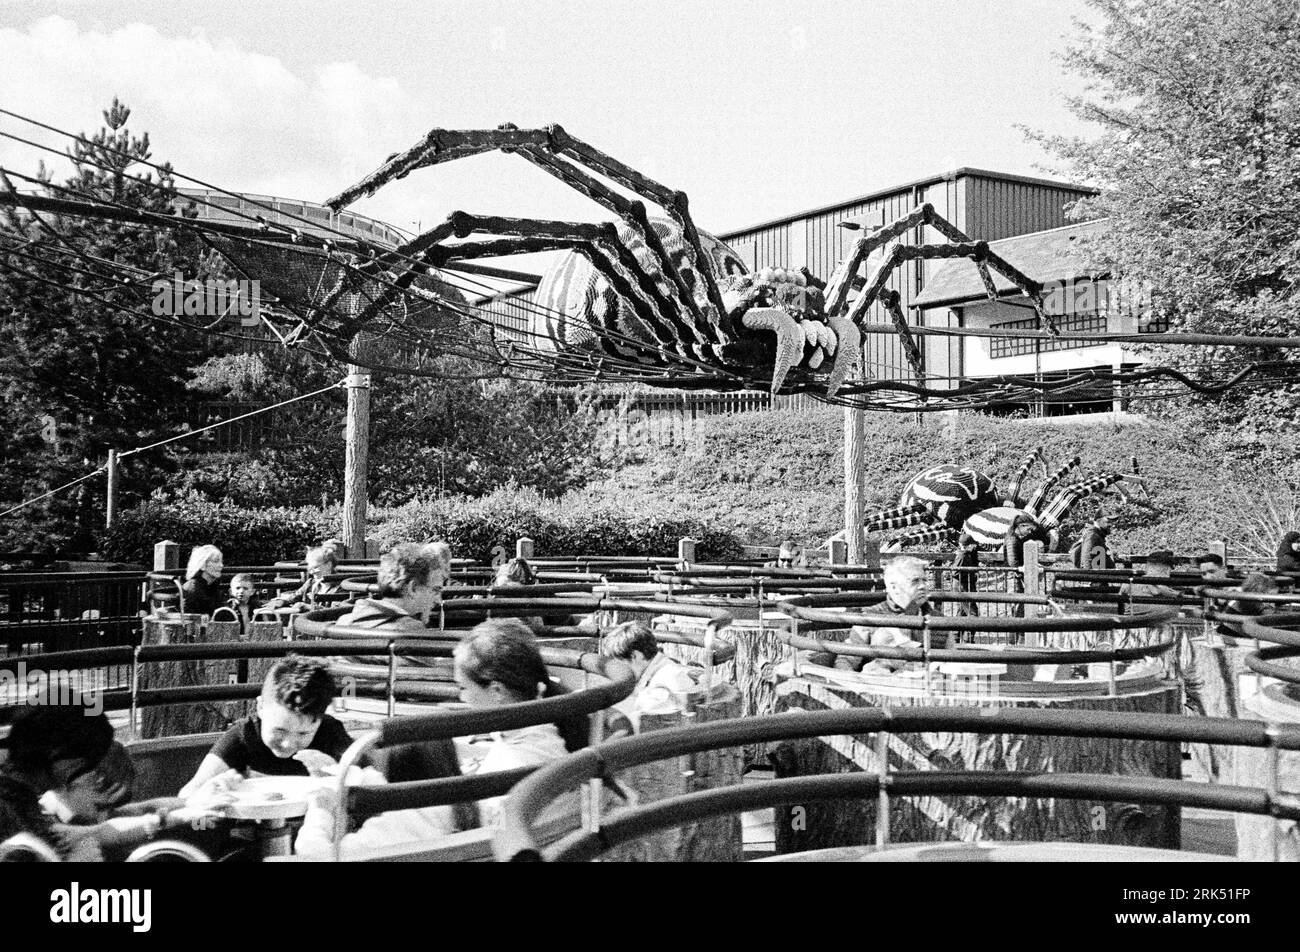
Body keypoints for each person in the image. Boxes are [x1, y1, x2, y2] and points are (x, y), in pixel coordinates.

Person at [1, 703, 218, 859]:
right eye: (85, 759)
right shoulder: (11, 805)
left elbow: (105, 828)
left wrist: (191, 806)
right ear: (55, 752)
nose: (87, 769)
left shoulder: (22, 795)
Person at [453, 620, 582, 824]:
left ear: (497, 691)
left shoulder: (517, 763)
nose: (462, 698)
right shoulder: (542, 732)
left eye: (464, 688)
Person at [180, 656, 362, 797]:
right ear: (260, 708)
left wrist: (338, 773)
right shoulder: (245, 736)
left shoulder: (330, 732)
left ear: (320, 721)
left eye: (303, 733)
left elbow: (371, 782)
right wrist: (210, 790)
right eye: (280, 730)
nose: (288, 744)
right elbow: (188, 793)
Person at [809, 556, 933, 673]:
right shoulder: (872, 617)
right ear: (893, 587)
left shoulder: (937, 620)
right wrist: (857, 688)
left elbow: (951, 660)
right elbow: (846, 661)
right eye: (915, 581)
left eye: (924, 580)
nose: (922, 586)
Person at [600, 621, 701, 725]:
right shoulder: (653, 672)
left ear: (635, 656)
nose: (617, 670)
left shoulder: (669, 678)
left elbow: (642, 718)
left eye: (619, 664)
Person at [337, 542, 449, 634]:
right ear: (413, 588)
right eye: (435, 590)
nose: (438, 599)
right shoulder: (409, 632)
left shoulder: (344, 622)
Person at [267, 545, 343, 612]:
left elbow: (335, 612)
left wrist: (308, 607)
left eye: (315, 567)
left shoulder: (341, 587)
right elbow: (294, 597)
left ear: (328, 565)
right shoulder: (311, 583)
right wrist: (281, 602)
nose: (311, 572)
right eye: (310, 568)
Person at [181, 544, 224, 617]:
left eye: (221, 561)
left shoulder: (211, 586)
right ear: (202, 565)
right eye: (216, 561)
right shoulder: (194, 589)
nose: (221, 565)